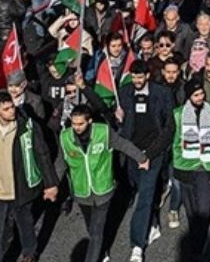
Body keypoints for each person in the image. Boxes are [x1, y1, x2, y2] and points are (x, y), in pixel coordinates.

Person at [60, 103, 150, 262]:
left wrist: (141, 158)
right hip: (81, 191)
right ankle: (102, 250)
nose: (77, 127)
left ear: (89, 122)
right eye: (74, 123)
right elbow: (62, 163)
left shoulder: (103, 132)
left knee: (96, 232)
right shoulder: (65, 137)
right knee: (91, 227)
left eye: (80, 123)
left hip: (103, 189)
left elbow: (123, 145)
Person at [0, 90, 59, 262]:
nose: (11, 111)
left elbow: (42, 153)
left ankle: (30, 253)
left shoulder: (27, 127)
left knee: (25, 226)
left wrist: (51, 183)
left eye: (12, 107)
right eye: (6, 109)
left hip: (20, 188)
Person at [116, 65, 174, 262]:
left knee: (145, 197)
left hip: (153, 153)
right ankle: (153, 224)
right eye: (134, 77)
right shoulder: (124, 92)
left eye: (140, 77)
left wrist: (149, 155)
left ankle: (137, 246)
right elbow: (112, 118)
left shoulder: (162, 93)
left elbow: (169, 128)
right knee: (139, 189)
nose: (137, 80)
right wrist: (117, 117)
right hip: (131, 152)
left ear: (147, 75)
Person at [173, 77, 210, 253]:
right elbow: (170, 139)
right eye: (196, 95)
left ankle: (200, 247)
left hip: (205, 167)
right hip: (185, 166)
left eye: (202, 94)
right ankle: (197, 245)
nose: (200, 97)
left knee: (204, 209)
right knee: (191, 211)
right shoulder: (178, 114)